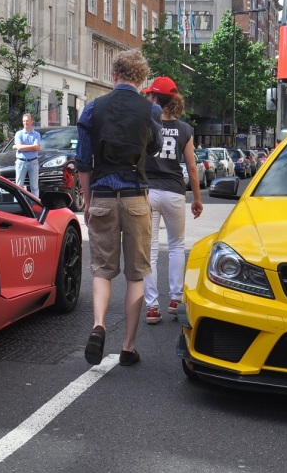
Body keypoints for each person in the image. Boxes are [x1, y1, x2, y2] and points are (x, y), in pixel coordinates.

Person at [76, 49, 161, 367]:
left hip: (103, 195)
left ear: (114, 76)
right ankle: (128, 346)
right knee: (136, 273)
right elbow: (153, 146)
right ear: (141, 78)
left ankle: (98, 325)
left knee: (102, 269)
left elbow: (83, 161)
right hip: (136, 196)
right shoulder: (150, 110)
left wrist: (87, 200)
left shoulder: (93, 109)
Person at [140, 76, 202, 324]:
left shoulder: (145, 125)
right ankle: (175, 299)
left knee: (151, 249)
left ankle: (152, 307)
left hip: (149, 191)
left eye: (149, 95)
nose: (147, 98)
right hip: (175, 191)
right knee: (176, 245)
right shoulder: (185, 129)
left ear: (155, 99)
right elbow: (192, 167)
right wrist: (197, 198)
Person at [13, 113, 41, 195]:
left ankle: (35, 206)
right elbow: (20, 148)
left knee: (34, 187)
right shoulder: (19, 134)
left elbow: (36, 148)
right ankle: (19, 206)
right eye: (24, 121)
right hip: (21, 162)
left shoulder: (36, 134)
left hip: (33, 162)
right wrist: (31, 147)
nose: (26, 122)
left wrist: (20, 147)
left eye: (27, 121)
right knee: (18, 186)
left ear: (32, 121)